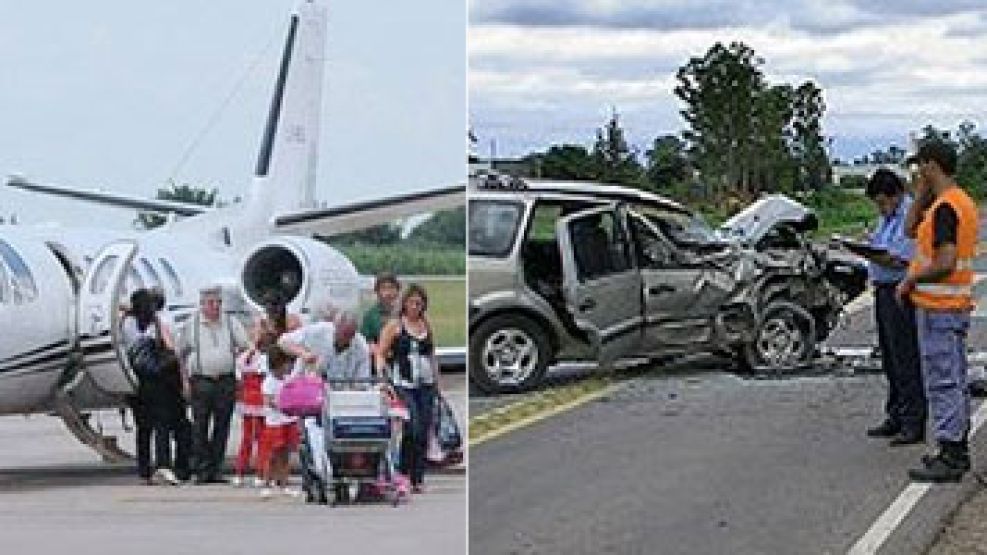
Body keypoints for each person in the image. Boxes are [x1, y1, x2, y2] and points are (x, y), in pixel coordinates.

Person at [897, 139, 980, 482]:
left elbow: (945, 262)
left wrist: (912, 279)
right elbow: (909, 229)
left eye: (920, 166)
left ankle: (952, 454)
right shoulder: (954, 203)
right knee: (954, 379)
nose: (917, 172)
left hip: (939, 308)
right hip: (950, 307)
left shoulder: (947, 208)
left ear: (932, 165)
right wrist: (920, 193)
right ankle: (954, 446)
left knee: (944, 381)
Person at [859, 169, 926, 445]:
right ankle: (895, 414)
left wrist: (876, 255)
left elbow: (900, 258)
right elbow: (879, 245)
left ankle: (913, 421)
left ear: (896, 195)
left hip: (902, 291)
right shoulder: (886, 218)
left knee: (905, 357)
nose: (881, 208)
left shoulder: (908, 216)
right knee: (889, 357)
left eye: (883, 202)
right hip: (883, 290)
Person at [176, 285, 252, 484]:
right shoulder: (191, 325)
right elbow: (180, 354)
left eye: (218, 302)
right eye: (211, 303)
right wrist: (184, 380)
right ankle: (202, 468)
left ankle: (216, 468)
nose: (215, 307)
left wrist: (240, 370)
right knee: (200, 427)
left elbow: (245, 346)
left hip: (225, 380)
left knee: (222, 425)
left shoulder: (230, 322)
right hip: (201, 380)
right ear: (202, 305)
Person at [375, 283, 441, 493]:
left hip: (425, 383)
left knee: (423, 431)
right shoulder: (395, 326)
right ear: (404, 304)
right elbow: (381, 352)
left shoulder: (425, 325)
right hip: (403, 383)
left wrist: (437, 382)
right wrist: (383, 379)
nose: (416, 307)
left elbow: (431, 354)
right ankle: (403, 471)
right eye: (412, 303)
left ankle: (418, 476)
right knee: (411, 428)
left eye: (420, 304)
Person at [232, 291, 302, 488]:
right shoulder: (261, 325)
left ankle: (274, 475)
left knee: (279, 442)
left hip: (284, 377)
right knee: (258, 435)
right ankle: (256, 472)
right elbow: (253, 347)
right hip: (265, 381)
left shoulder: (292, 323)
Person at [121, 288, 190, 486]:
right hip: (161, 383)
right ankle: (166, 465)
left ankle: (145, 469)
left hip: (138, 383)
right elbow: (171, 350)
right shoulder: (159, 323)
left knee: (144, 429)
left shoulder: (127, 324)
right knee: (164, 426)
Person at [278, 309, 372, 381]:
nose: (346, 338)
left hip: (341, 395)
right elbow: (283, 341)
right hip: (306, 390)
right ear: (335, 326)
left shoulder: (362, 346)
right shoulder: (319, 330)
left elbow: (363, 381)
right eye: (343, 333)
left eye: (351, 334)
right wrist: (303, 353)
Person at [259, 344, 302, 499]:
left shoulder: (287, 380)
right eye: (285, 364)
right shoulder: (269, 382)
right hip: (275, 423)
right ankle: (266, 482)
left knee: (285, 454)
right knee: (273, 454)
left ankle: (283, 483)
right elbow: (268, 400)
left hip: (288, 420)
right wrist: (282, 405)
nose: (288, 367)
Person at [362, 273, 401, 365]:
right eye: (384, 288)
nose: (388, 292)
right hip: (381, 363)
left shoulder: (405, 313)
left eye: (391, 287)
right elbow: (366, 342)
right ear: (377, 292)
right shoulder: (370, 316)